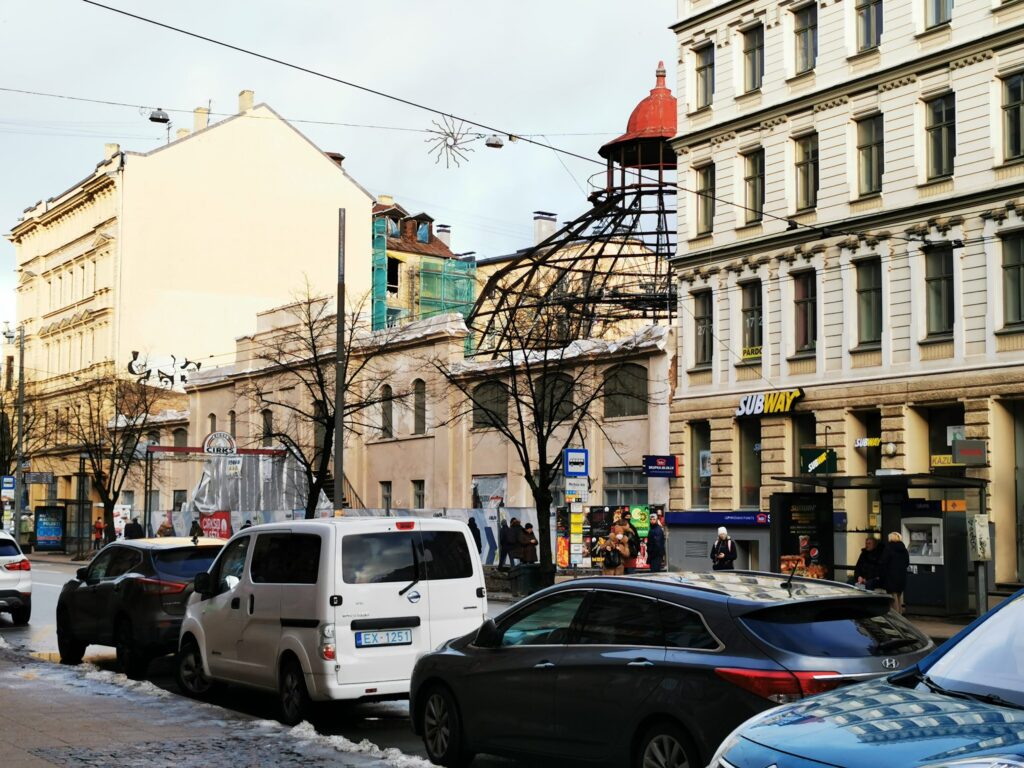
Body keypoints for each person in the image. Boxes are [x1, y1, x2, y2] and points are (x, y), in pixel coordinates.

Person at [879, 531, 910, 613]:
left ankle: (896, 616)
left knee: (893, 597)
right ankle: (900, 614)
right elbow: (907, 563)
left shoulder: (888, 548)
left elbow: (883, 562)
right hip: (901, 576)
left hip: (891, 576)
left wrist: (882, 575)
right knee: (899, 596)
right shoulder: (904, 549)